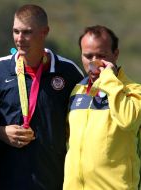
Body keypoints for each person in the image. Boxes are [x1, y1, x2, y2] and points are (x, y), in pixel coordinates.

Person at [0, 4, 84, 190]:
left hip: (54, 181)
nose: (19, 39)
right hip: (7, 182)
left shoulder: (68, 72)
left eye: (27, 32)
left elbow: (86, 122)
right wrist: (0, 132)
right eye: (16, 31)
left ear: (44, 32)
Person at [63, 25, 141, 190]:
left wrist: (109, 79)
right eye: (88, 56)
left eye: (101, 55)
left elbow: (128, 121)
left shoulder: (134, 90)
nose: (94, 62)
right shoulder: (77, 91)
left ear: (116, 54)